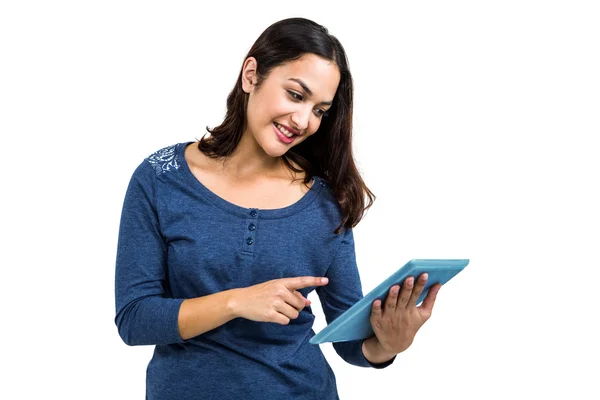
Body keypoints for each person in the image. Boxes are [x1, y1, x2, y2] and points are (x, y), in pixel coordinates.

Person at [114, 17, 442, 400]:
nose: (303, 121)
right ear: (251, 75)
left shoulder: (326, 201)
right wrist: (237, 302)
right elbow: (135, 319)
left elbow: (351, 341)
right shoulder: (160, 178)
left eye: (320, 110)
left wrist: (387, 344)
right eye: (296, 95)